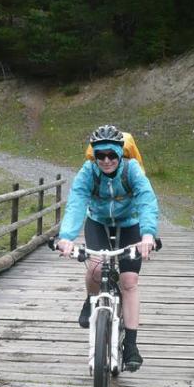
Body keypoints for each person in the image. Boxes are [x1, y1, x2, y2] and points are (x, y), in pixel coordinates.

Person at [56, 124, 160, 372]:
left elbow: (146, 200)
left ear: (120, 153)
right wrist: (66, 237)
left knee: (129, 281)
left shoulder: (131, 170)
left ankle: (131, 345)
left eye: (111, 155)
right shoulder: (88, 172)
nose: (106, 160)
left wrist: (148, 235)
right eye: (100, 155)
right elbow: (77, 202)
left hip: (130, 224)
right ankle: (91, 299)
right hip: (98, 223)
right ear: (94, 155)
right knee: (94, 268)